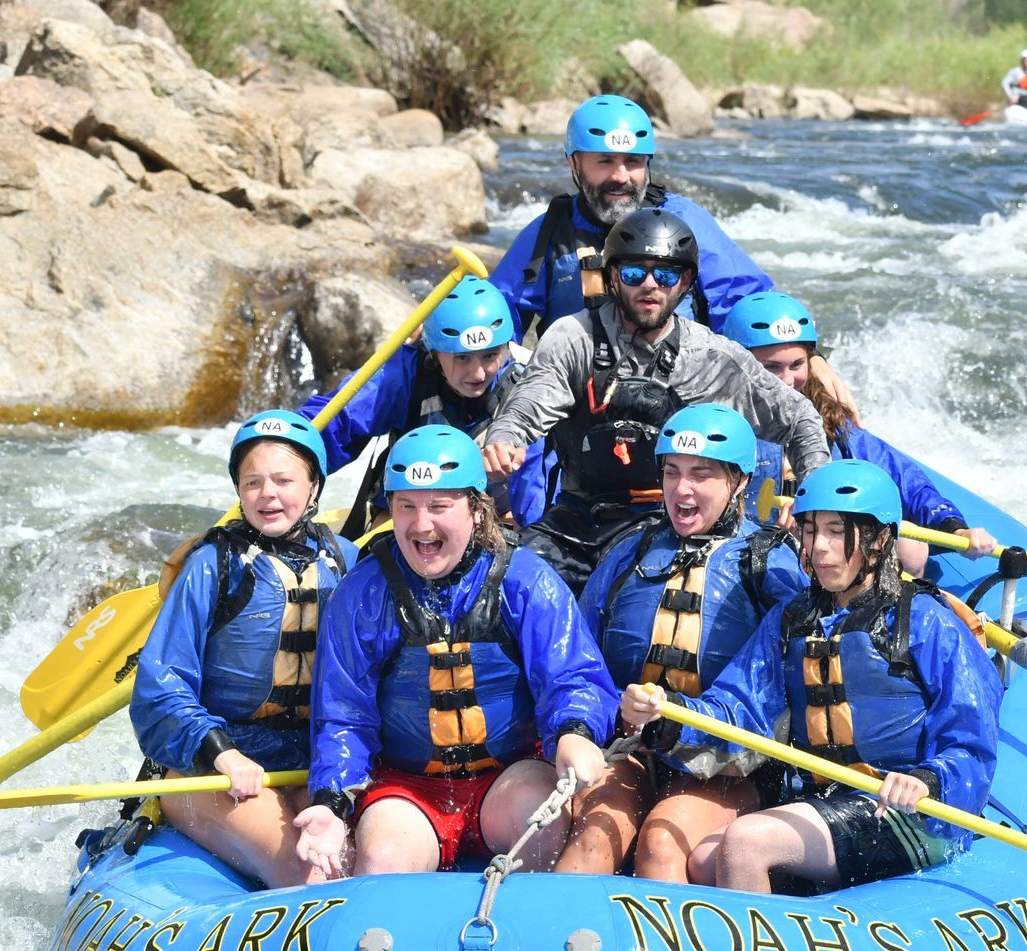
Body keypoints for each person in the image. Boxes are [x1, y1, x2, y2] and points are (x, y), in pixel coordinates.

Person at [618, 460, 1002, 894]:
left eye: (837, 532)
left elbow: (972, 738)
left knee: (744, 842)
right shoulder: (793, 620)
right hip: (825, 802)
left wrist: (929, 778)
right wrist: (670, 713)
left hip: (911, 811)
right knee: (706, 859)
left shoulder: (928, 622)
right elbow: (738, 707)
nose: (819, 548)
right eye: (811, 530)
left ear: (879, 540)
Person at [292, 426, 617, 877]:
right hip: (406, 787)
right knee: (383, 861)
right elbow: (343, 715)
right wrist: (331, 801)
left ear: (478, 513)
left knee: (538, 824)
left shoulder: (525, 581)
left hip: (508, 775)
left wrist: (575, 730)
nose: (421, 525)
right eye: (406, 506)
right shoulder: (362, 594)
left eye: (439, 506)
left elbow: (572, 677)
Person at [480, 209, 829, 594]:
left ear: (685, 283)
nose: (650, 286)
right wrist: (505, 438)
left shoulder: (712, 357)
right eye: (634, 274)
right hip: (577, 520)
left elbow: (799, 418)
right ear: (613, 277)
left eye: (664, 275)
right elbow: (527, 406)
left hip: (670, 519)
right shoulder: (572, 336)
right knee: (512, 585)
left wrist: (814, 496)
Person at [556, 406, 807, 881]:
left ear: (738, 482)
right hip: (634, 749)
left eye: (701, 475)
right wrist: (589, 725)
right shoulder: (633, 549)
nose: (681, 490)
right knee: (595, 831)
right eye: (672, 473)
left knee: (661, 842)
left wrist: (675, 724)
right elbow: (580, 659)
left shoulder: (770, 565)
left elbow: (768, 697)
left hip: (730, 767)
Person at [130, 410, 359, 888]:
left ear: (314, 488)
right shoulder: (213, 565)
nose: (267, 494)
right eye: (252, 481)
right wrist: (222, 753)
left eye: (283, 480)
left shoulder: (346, 561)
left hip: (320, 757)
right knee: (307, 870)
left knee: (354, 863)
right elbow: (160, 687)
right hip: (217, 764)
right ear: (238, 490)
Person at [719, 290, 997, 575]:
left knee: (911, 546)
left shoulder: (829, 421)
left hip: (823, 550)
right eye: (771, 368)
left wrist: (954, 527)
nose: (788, 381)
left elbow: (903, 478)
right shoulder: (718, 423)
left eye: (797, 365)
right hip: (747, 551)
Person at [492, 95, 772, 342]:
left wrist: (808, 355)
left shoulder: (684, 220)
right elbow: (496, 322)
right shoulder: (548, 233)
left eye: (633, 162)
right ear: (574, 163)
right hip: (577, 390)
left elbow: (746, 304)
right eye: (605, 161)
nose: (621, 177)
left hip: (679, 388)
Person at [297, 278, 546, 535]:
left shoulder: (525, 389)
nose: (479, 372)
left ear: (505, 349)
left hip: (495, 522)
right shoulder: (405, 373)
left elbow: (541, 489)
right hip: (410, 517)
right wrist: (287, 446)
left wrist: (531, 531)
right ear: (434, 352)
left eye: (490, 355)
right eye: (462, 357)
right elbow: (339, 418)